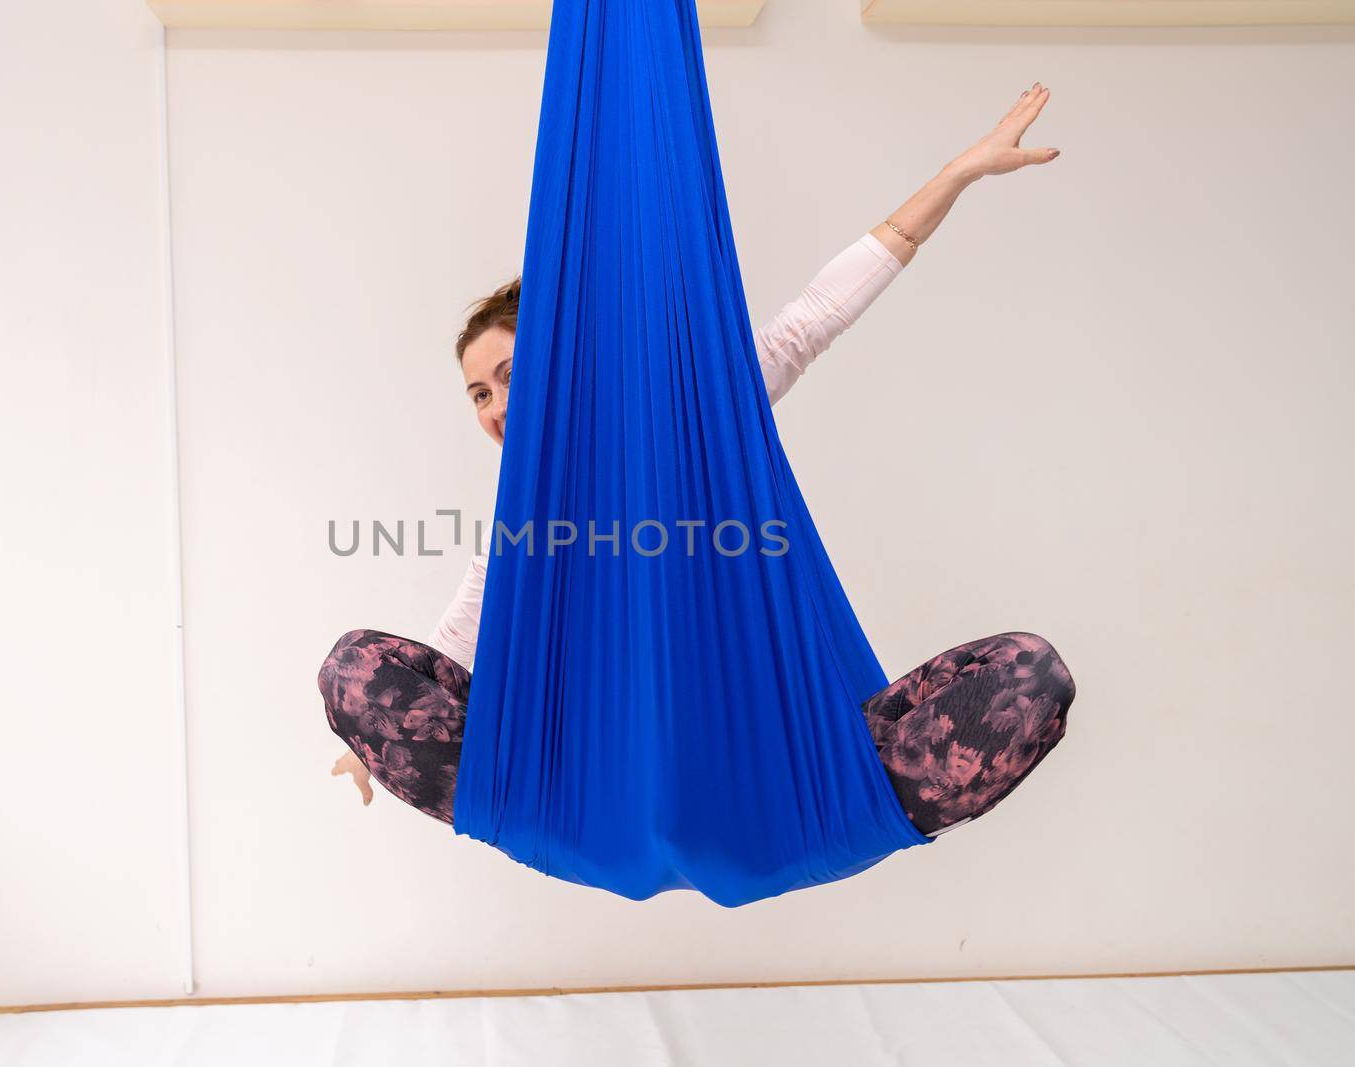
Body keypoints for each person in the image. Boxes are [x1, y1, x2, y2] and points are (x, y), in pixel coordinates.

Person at [319, 83, 1075, 841]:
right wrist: (369, 742)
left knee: (1027, 673)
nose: (493, 406)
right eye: (477, 393)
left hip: (777, 771)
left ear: (565, 362)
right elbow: (459, 637)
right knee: (352, 667)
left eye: (510, 374)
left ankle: (846, 805)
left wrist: (957, 174)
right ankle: (621, 808)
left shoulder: (689, 420)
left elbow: (814, 318)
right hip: (580, 790)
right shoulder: (521, 524)